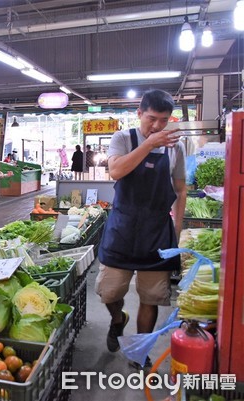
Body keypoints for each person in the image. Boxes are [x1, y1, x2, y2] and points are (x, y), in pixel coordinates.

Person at [95, 89, 186, 370]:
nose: (157, 126)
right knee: (108, 292)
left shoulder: (176, 147)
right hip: (123, 228)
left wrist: (177, 230)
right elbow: (116, 171)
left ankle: (139, 352)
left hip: (157, 231)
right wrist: (149, 144)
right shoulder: (123, 138)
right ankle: (117, 318)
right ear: (139, 113)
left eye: (163, 120)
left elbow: (181, 189)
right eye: (151, 119)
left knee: (151, 296)